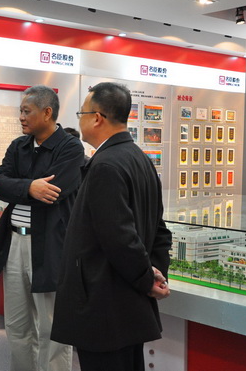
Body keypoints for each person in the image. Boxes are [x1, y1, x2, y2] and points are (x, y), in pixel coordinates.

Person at [51, 82, 172, 371]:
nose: (79, 119)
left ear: (97, 118)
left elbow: (119, 237)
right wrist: (155, 273)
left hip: (104, 306)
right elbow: (159, 230)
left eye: (82, 112)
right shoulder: (140, 159)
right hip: (128, 304)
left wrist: (147, 279)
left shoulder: (105, 165)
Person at [0, 85, 85, 371]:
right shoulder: (18, 146)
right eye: (21, 111)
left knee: (52, 326)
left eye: (27, 111)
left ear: (47, 113)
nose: (21, 117)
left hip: (50, 247)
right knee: (17, 324)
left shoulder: (71, 148)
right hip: (14, 243)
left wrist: (19, 186)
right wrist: (29, 187)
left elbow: (54, 191)